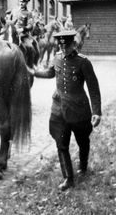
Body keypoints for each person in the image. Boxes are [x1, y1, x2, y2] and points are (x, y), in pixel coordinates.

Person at [30, 30, 102, 191]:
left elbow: (93, 87)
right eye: (61, 46)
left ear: (73, 44)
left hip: (79, 110)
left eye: (66, 46)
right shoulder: (56, 57)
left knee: (83, 141)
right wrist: (34, 72)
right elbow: (50, 73)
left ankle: (83, 166)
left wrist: (96, 111)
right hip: (59, 109)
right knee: (61, 144)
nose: (63, 49)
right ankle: (68, 178)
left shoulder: (83, 62)